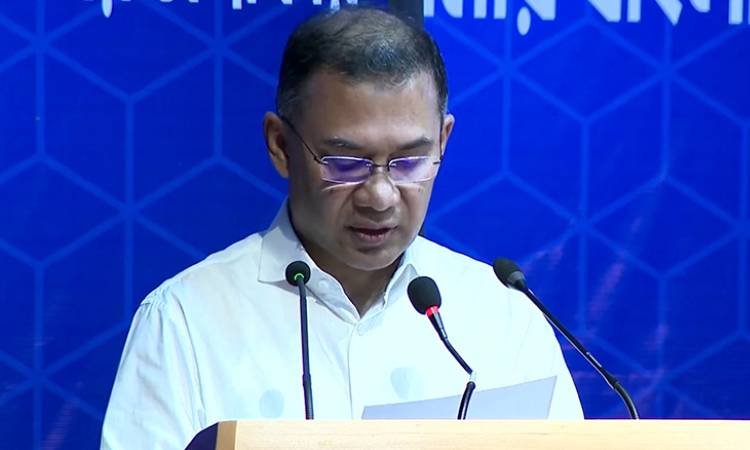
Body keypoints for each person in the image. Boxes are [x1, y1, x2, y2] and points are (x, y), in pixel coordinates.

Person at [101, 6, 583, 450]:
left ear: (443, 140)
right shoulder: (186, 320)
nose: (380, 195)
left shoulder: (502, 317)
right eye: (346, 162)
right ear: (280, 145)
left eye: (409, 162)